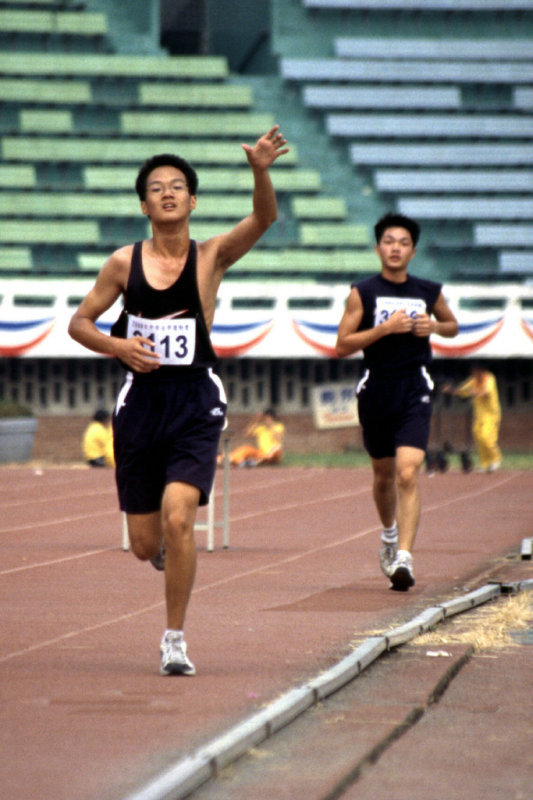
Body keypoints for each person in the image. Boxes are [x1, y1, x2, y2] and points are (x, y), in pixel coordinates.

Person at [68, 125, 289, 675]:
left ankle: (174, 639)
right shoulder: (123, 263)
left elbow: (264, 220)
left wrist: (259, 170)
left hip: (195, 400)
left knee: (179, 517)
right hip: (140, 404)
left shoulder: (211, 256)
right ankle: (165, 554)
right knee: (146, 543)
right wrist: (117, 344)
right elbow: (79, 324)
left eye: (177, 186)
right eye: (156, 188)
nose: (167, 193)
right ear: (144, 204)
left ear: (192, 200)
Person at [336, 212, 458, 591]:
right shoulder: (363, 292)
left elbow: (452, 326)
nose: (395, 248)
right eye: (389, 241)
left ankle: (404, 555)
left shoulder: (428, 291)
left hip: (414, 388)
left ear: (413, 251)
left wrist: (434, 327)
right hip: (376, 389)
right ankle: (389, 535)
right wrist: (384, 329)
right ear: (378, 248)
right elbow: (342, 345)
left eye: (403, 243)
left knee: (408, 472)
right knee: (384, 474)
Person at [446, 364, 501, 472]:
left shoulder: (489, 378)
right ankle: (486, 464)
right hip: (480, 415)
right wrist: (452, 390)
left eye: (476, 371)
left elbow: (486, 392)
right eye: (473, 372)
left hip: (491, 414)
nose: (474, 374)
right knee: (478, 436)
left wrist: (474, 392)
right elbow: (463, 389)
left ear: (482, 370)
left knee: (486, 437)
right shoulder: (474, 380)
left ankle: (495, 458)